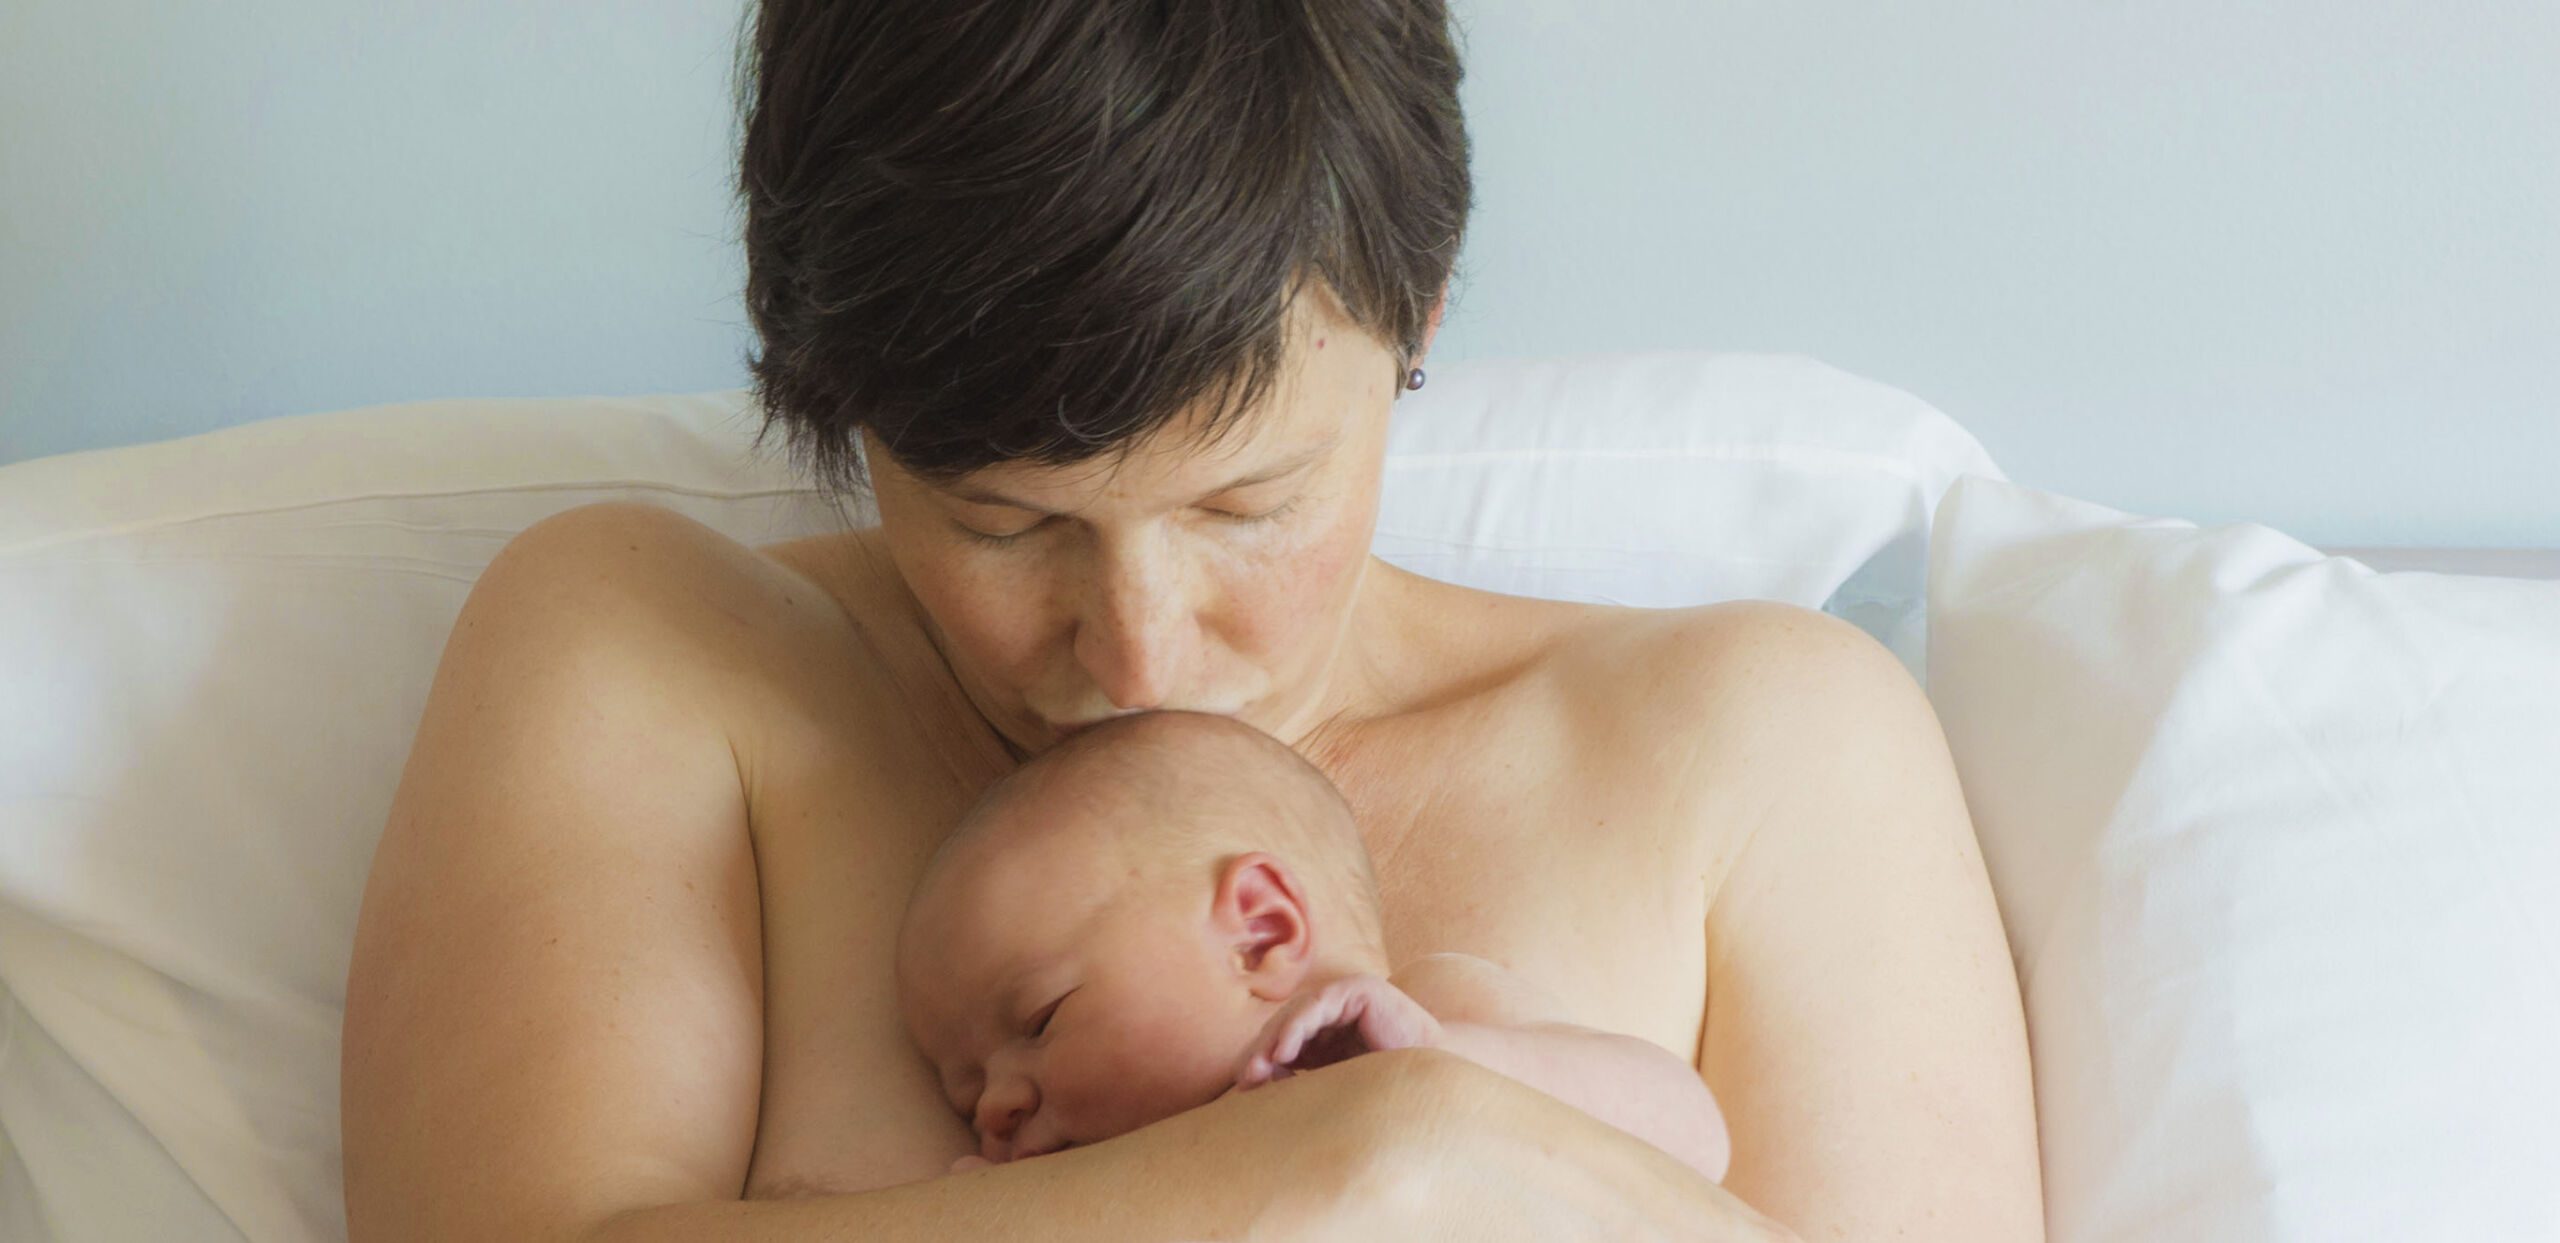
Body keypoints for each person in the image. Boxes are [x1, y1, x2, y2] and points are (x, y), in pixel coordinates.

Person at [340, 1, 2045, 1238]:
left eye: (1247, 505)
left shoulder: (1759, 752)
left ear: (1419, 314)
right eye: (1001, 521)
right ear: (839, 406)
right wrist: (1343, 1158)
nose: (1139, 654)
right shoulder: (651, 664)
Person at [895, 709, 1731, 1181]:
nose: (996, 1107)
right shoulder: (1086, 1185)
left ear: (1262, 933)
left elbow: (1693, 1134)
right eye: (967, 1097)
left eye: (1040, 1018)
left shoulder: (1437, 1010)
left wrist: (1443, 1064)